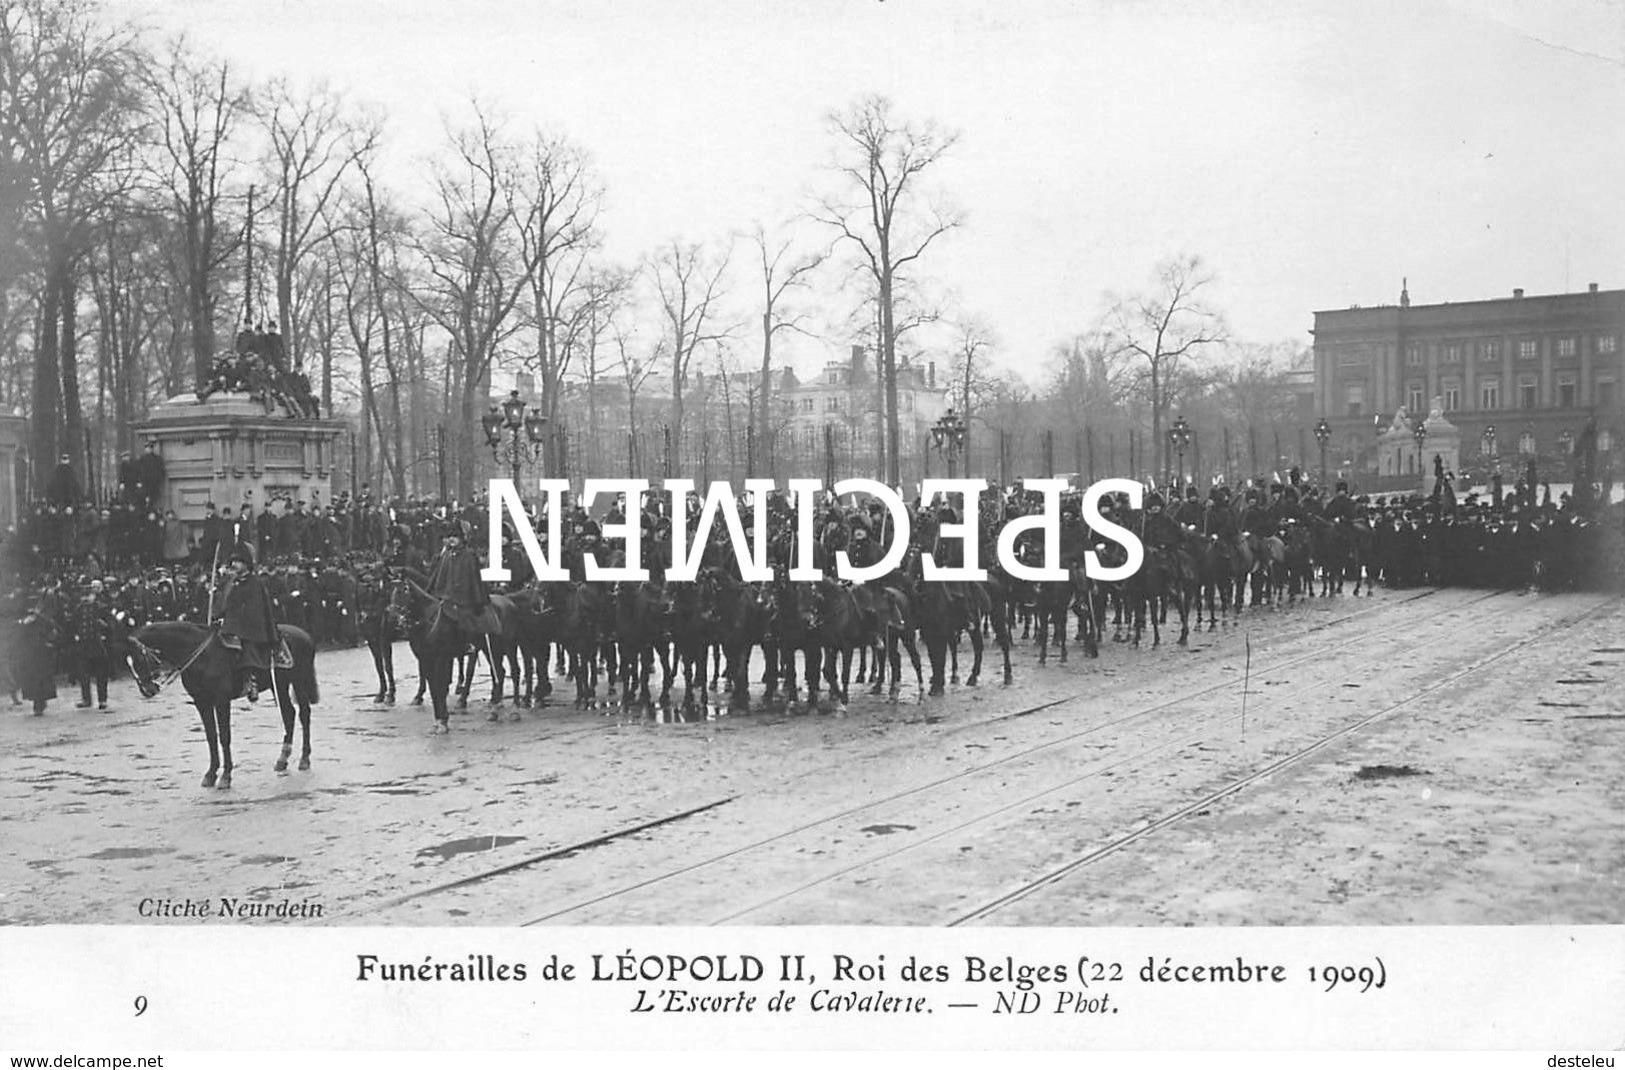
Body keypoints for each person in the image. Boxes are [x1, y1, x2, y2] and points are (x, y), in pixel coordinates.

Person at [216, 546, 280, 703]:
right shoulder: (233, 583)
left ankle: (252, 682)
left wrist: (235, 622)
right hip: (232, 624)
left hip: (253, 626)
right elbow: (227, 603)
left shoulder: (255, 583)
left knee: (248, 647)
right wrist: (218, 616)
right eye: (233, 562)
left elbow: (254, 609)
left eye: (238, 562)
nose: (235, 565)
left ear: (246, 564)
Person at [426, 522, 498, 640]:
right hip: (447, 598)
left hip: (465, 599)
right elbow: (441, 577)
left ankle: (469, 643)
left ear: (461, 538)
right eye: (450, 537)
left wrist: (476, 599)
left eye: (455, 537)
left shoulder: (469, 556)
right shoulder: (446, 556)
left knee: (466, 620)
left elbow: (474, 580)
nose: (452, 540)